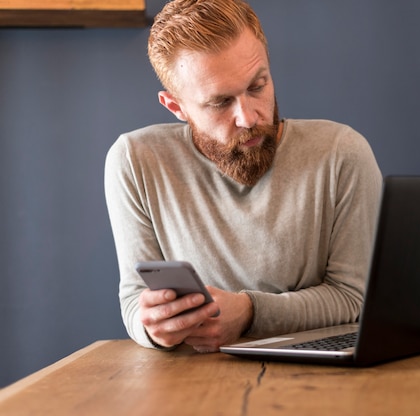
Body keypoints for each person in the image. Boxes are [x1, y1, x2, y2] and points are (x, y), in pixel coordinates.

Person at [104, 0, 382, 353]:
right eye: (220, 103)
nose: (248, 118)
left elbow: (354, 298)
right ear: (177, 107)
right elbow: (134, 300)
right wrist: (153, 327)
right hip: (195, 387)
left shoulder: (342, 154)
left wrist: (251, 313)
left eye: (258, 86)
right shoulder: (135, 161)